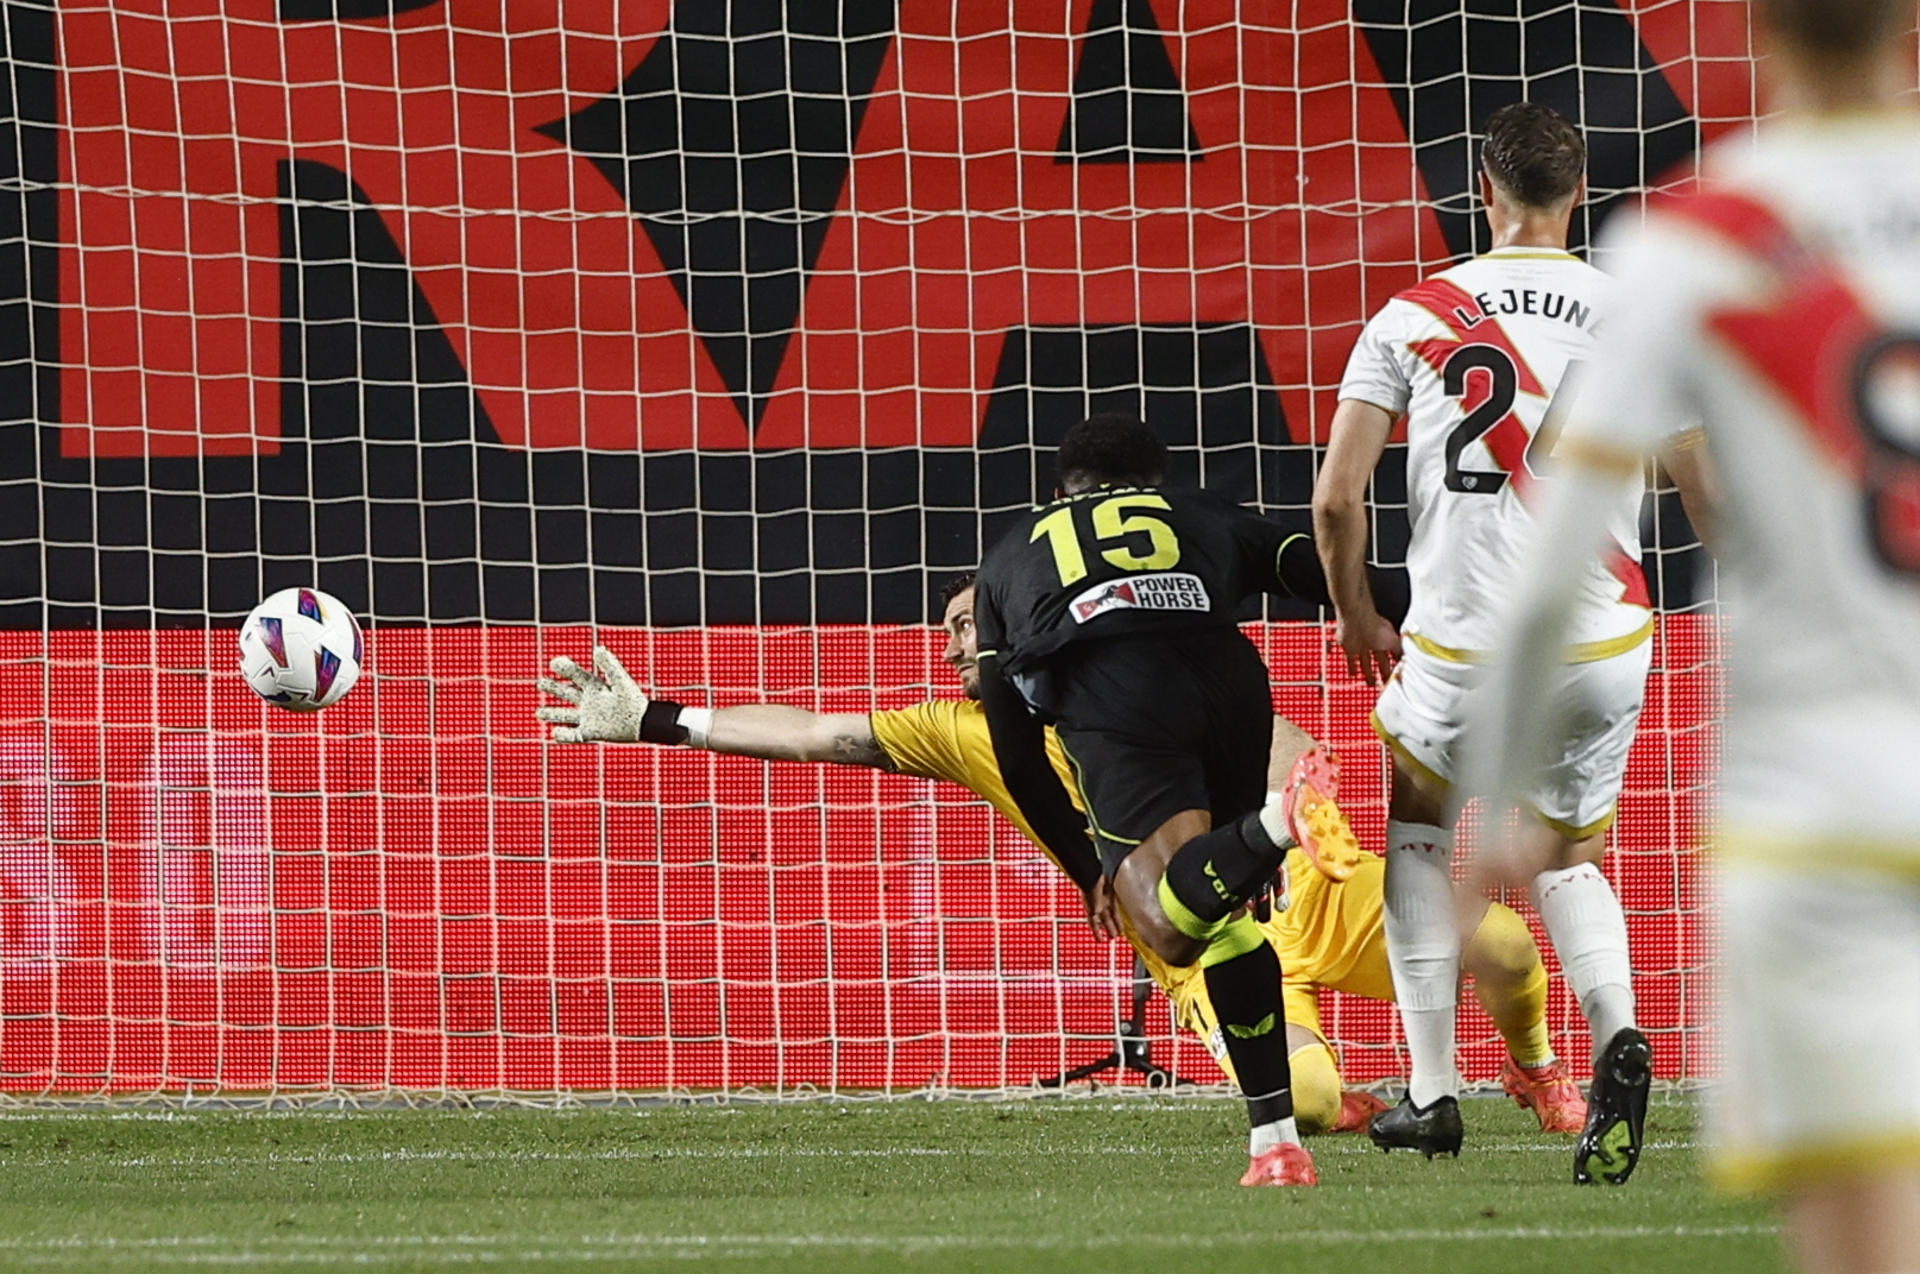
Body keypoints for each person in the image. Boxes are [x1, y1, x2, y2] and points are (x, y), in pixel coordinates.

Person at [536, 574, 1587, 1136]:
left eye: (961, 628)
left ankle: (1532, 1070)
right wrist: (661, 718)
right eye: (945, 638)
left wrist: (1279, 798)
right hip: (1204, 944)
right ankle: (1341, 1100)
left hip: (1324, 885)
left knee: (1507, 949)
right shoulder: (969, 730)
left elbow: (1286, 736)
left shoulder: (1135, 671)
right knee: (1307, 1103)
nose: (947, 650)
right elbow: (823, 731)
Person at [1464, 0, 1920, 1262]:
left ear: (1761, 26)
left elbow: (1557, 543)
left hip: (1819, 797)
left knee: (1863, 1231)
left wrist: (1501, 799)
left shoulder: (1699, 237)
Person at [1312, 101, 1714, 1177]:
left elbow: (1337, 502)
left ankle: (1432, 1088)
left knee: (1418, 828)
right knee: (1573, 851)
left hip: (1460, 643)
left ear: (1483, 191)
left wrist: (1358, 612)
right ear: (1579, 195)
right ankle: (1618, 1028)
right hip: (1601, 639)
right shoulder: (1635, 313)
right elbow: (1702, 484)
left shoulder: (1414, 312)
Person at [965, 413, 1402, 1188]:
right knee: (1222, 921)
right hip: (1234, 684)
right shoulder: (1201, 512)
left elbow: (1016, 749)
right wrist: (1395, 611)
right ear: (1154, 482)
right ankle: (1274, 1143)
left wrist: (1085, 867)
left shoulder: (1006, 557)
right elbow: (1326, 566)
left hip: (1118, 694)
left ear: (1058, 491)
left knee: (1165, 930)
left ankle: (1278, 817)